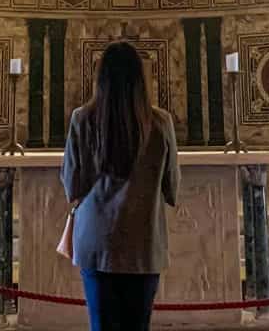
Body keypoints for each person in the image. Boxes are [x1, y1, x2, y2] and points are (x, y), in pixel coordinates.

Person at [61, 40, 180, 331]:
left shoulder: (82, 119)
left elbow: (72, 185)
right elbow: (171, 187)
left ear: (100, 78)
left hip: (97, 241)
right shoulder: (161, 122)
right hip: (143, 242)